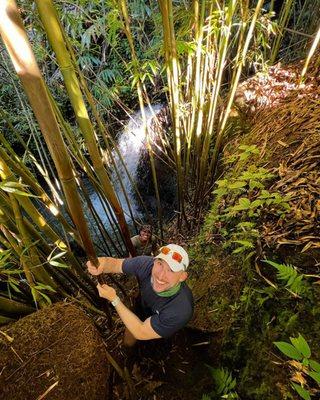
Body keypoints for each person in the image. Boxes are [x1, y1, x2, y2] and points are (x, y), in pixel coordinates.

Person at [87, 244, 194, 347]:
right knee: (128, 341)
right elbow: (116, 264)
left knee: (158, 345)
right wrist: (102, 263)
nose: (161, 276)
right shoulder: (146, 264)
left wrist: (114, 299)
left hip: (164, 324)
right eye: (160, 264)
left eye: (171, 270)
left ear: (182, 277)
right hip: (142, 306)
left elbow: (141, 332)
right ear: (154, 261)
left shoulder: (181, 309)